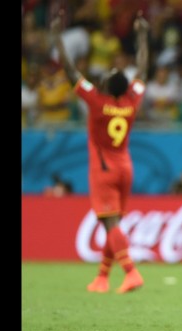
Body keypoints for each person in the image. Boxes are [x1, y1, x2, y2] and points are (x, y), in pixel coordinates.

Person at [51, 11, 149, 294]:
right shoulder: (131, 100)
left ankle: (131, 272)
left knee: (111, 222)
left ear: (105, 86)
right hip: (125, 167)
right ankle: (102, 277)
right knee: (113, 222)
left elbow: (71, 72)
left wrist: (58, 36)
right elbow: (142, 70)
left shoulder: (95, 100)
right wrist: (142, 36)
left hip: (103, 169)